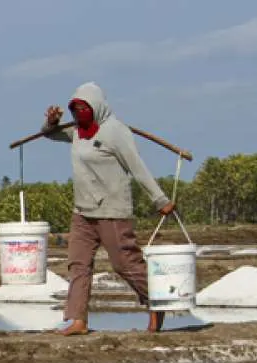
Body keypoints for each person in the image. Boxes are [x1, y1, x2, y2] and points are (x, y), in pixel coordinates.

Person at [41, 82, 176, 336]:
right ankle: (76, 320)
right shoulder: (77, 132)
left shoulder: (116, 132)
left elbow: (137, 168)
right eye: (74, 110)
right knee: (78, 264)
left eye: (83, 109)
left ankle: (157, 302)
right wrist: (51, 122)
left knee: (125, 263)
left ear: (96, 108)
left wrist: (160, 200)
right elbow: (50, 133)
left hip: (112, 210)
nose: (78, 115)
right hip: (83, 210)